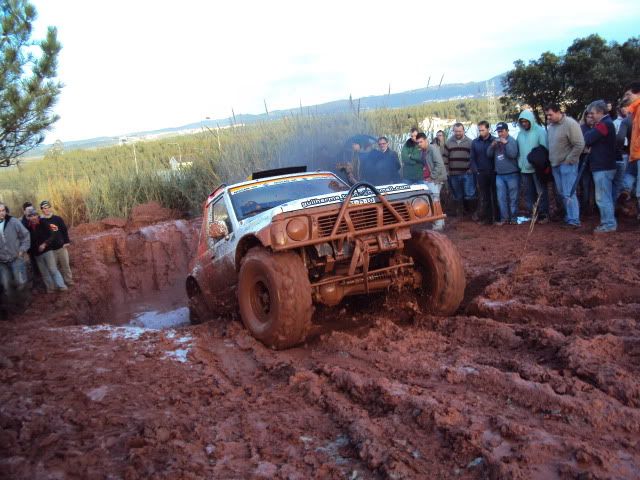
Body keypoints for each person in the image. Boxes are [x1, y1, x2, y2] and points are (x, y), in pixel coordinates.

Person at [545, 104, 585, 228]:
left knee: (569, 193)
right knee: (562, 193)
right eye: (547, 115)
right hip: (555, 164)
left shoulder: (570, 124)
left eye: (550, 114)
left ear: (558, 112)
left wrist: (569, 160)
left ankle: (574, 220)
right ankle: (569, 217)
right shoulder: (551, 127)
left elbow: (579, 144)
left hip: (567, 165)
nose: (548, 117)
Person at [583, 100, 619, 233]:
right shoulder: (606, 123)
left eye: (592, 113)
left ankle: (608, 224)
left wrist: (590, 129)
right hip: (604, 165)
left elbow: (587, 138)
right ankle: (608, 222)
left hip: (603, 166)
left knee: (603, 197)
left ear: (600, 112)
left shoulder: (604, 124)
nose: (590, 116)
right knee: (604, 196)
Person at [517, 110, 549, 222]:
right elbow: (518, 151)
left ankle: (544, 214)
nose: (524, 124)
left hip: (537, 169)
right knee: (528, 194)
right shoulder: (520, 134)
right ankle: (532, 214)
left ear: (531, 120)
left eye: (526, 121)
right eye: (522, 122)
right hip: (524, 169)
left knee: (541, 192)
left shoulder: (540, 131)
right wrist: (520, 162)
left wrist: (541, 164)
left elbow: (545, 149)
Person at [25, 207, 67, 293]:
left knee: (53, 269)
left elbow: (52, 235)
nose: (33, 217)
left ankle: (61, 286)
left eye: (34, 215)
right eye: (30, 216)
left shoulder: (43, 223)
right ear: (28, 217)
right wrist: (30, 252)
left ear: (37, 215)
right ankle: (51, 289)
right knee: (44, 273)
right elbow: (26, 240)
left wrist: (45, 244)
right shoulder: (27, 227)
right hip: (36, 254)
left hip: (47, 250)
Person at [487, 122, 520, 225]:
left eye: (501, 131)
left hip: (512, 174)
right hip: (499, 175)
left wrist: (505, 144)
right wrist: (492, 146)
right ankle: (504, 219)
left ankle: (514, 219)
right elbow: (488, 155)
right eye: (498, 132)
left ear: (507, 131)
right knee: (501, 198)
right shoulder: (495, 141)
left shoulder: (512, 141)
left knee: (513, 198)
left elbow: (513, 154)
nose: (500, 134)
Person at [0, 202, 31, 308]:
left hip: (16, 257)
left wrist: (22, 250)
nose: (2, 213)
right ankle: (13, 307)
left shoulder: (13, 222)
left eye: (3, 210)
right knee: (6, 285)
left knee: (20, 282)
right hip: (2, 262)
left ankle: (25, 303)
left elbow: (25, 235)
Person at [415, 132, 447, 230]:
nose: (419, 144)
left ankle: (438, 225)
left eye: (421, 142)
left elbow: (439, 164)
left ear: (426, 140)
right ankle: (439, 222)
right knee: (433, 201)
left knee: (435, 201)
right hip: (427, 179)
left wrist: (432, 177)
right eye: (418, 142)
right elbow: (426, 165)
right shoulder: (423, 150)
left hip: (435, 179)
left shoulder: (433, 149)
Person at [443, 123, 475, 218]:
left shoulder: (470, 142)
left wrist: (471, 169)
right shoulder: (448, 142)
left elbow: (473, 158)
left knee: (469, 194)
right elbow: (445, 158)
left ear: (463, 131)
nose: (458, 133)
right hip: (453, 174)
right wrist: (447, 171)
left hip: (467, 173)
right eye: (456, 131)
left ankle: (471, 214)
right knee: (457, 195)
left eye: (460, 131)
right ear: (453, 131)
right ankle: (460, 214)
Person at [39, 200, 74, 286]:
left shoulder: (57, 219)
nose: (46, 209)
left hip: (61, 247)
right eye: (44, 208)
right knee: (53, 268)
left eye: (48, 207)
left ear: (50, 208)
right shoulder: (40, 221)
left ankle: (69, 281)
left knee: (65, 265)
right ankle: (59, 283)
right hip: (50, 250)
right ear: (42, 210)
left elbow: (64, 230)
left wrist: (66, 241)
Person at [470, 120, 498, 224]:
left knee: (495, 196)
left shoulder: (494, 140)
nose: (480, 132)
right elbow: (472, 158)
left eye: (482, 130)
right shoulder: (475, 142)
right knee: (485, 197)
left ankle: (497, 217)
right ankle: (488, 219)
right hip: (481, 173)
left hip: (494, 172)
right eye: (479, 130)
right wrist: (476, 171)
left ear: (488, 129)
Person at [623, 81, 640, 219]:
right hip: (635, 155)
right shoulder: (635, 110)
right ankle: (625, 191)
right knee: (629, 176)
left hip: (638, 153)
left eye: (628, 94)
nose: (626, 97)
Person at [579, 110, 596, 216]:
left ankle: (593, 207)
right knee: (584, 185)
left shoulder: (597, 128)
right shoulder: (581, 129)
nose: (590, 119)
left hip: (596, 162)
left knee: (595, 186)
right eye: (588, 117)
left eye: (592, 116)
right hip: (584, 162)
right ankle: (584, 208)